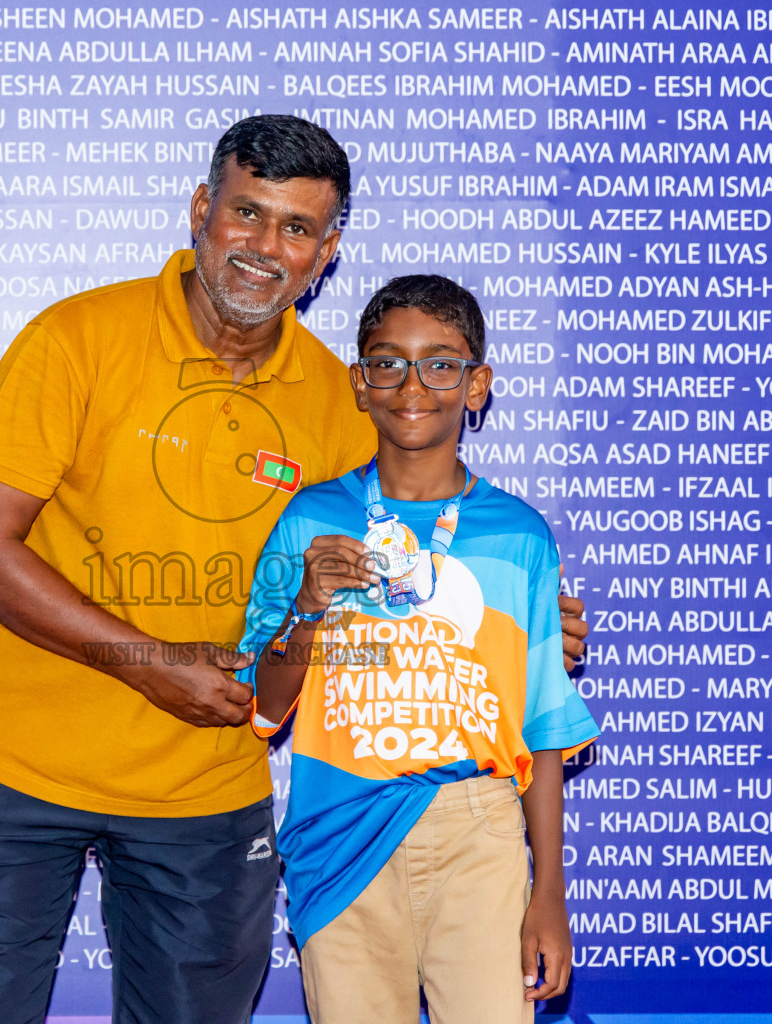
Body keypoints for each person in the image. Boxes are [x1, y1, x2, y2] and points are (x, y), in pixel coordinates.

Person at [0, 116, 590, 1024]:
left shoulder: (346, 399)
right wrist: (152, 665)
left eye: (298, 228)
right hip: (15, 772)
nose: (265, 248)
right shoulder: (76, 337)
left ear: (328, 250)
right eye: (247, 214)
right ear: (203, 210)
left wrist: (523, 622)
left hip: (211, 788)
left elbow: (402, 568)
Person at [241, 275, 600, 1024]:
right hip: (339, 831)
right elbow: (262, 706)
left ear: (477, 386)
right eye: (387, 363)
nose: (412, 385)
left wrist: (550, 895)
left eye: (441, 364)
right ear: (359, 383)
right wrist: (306, 611)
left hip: (478, 828)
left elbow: (542, 727)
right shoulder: (310, 519)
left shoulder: (519, 536)